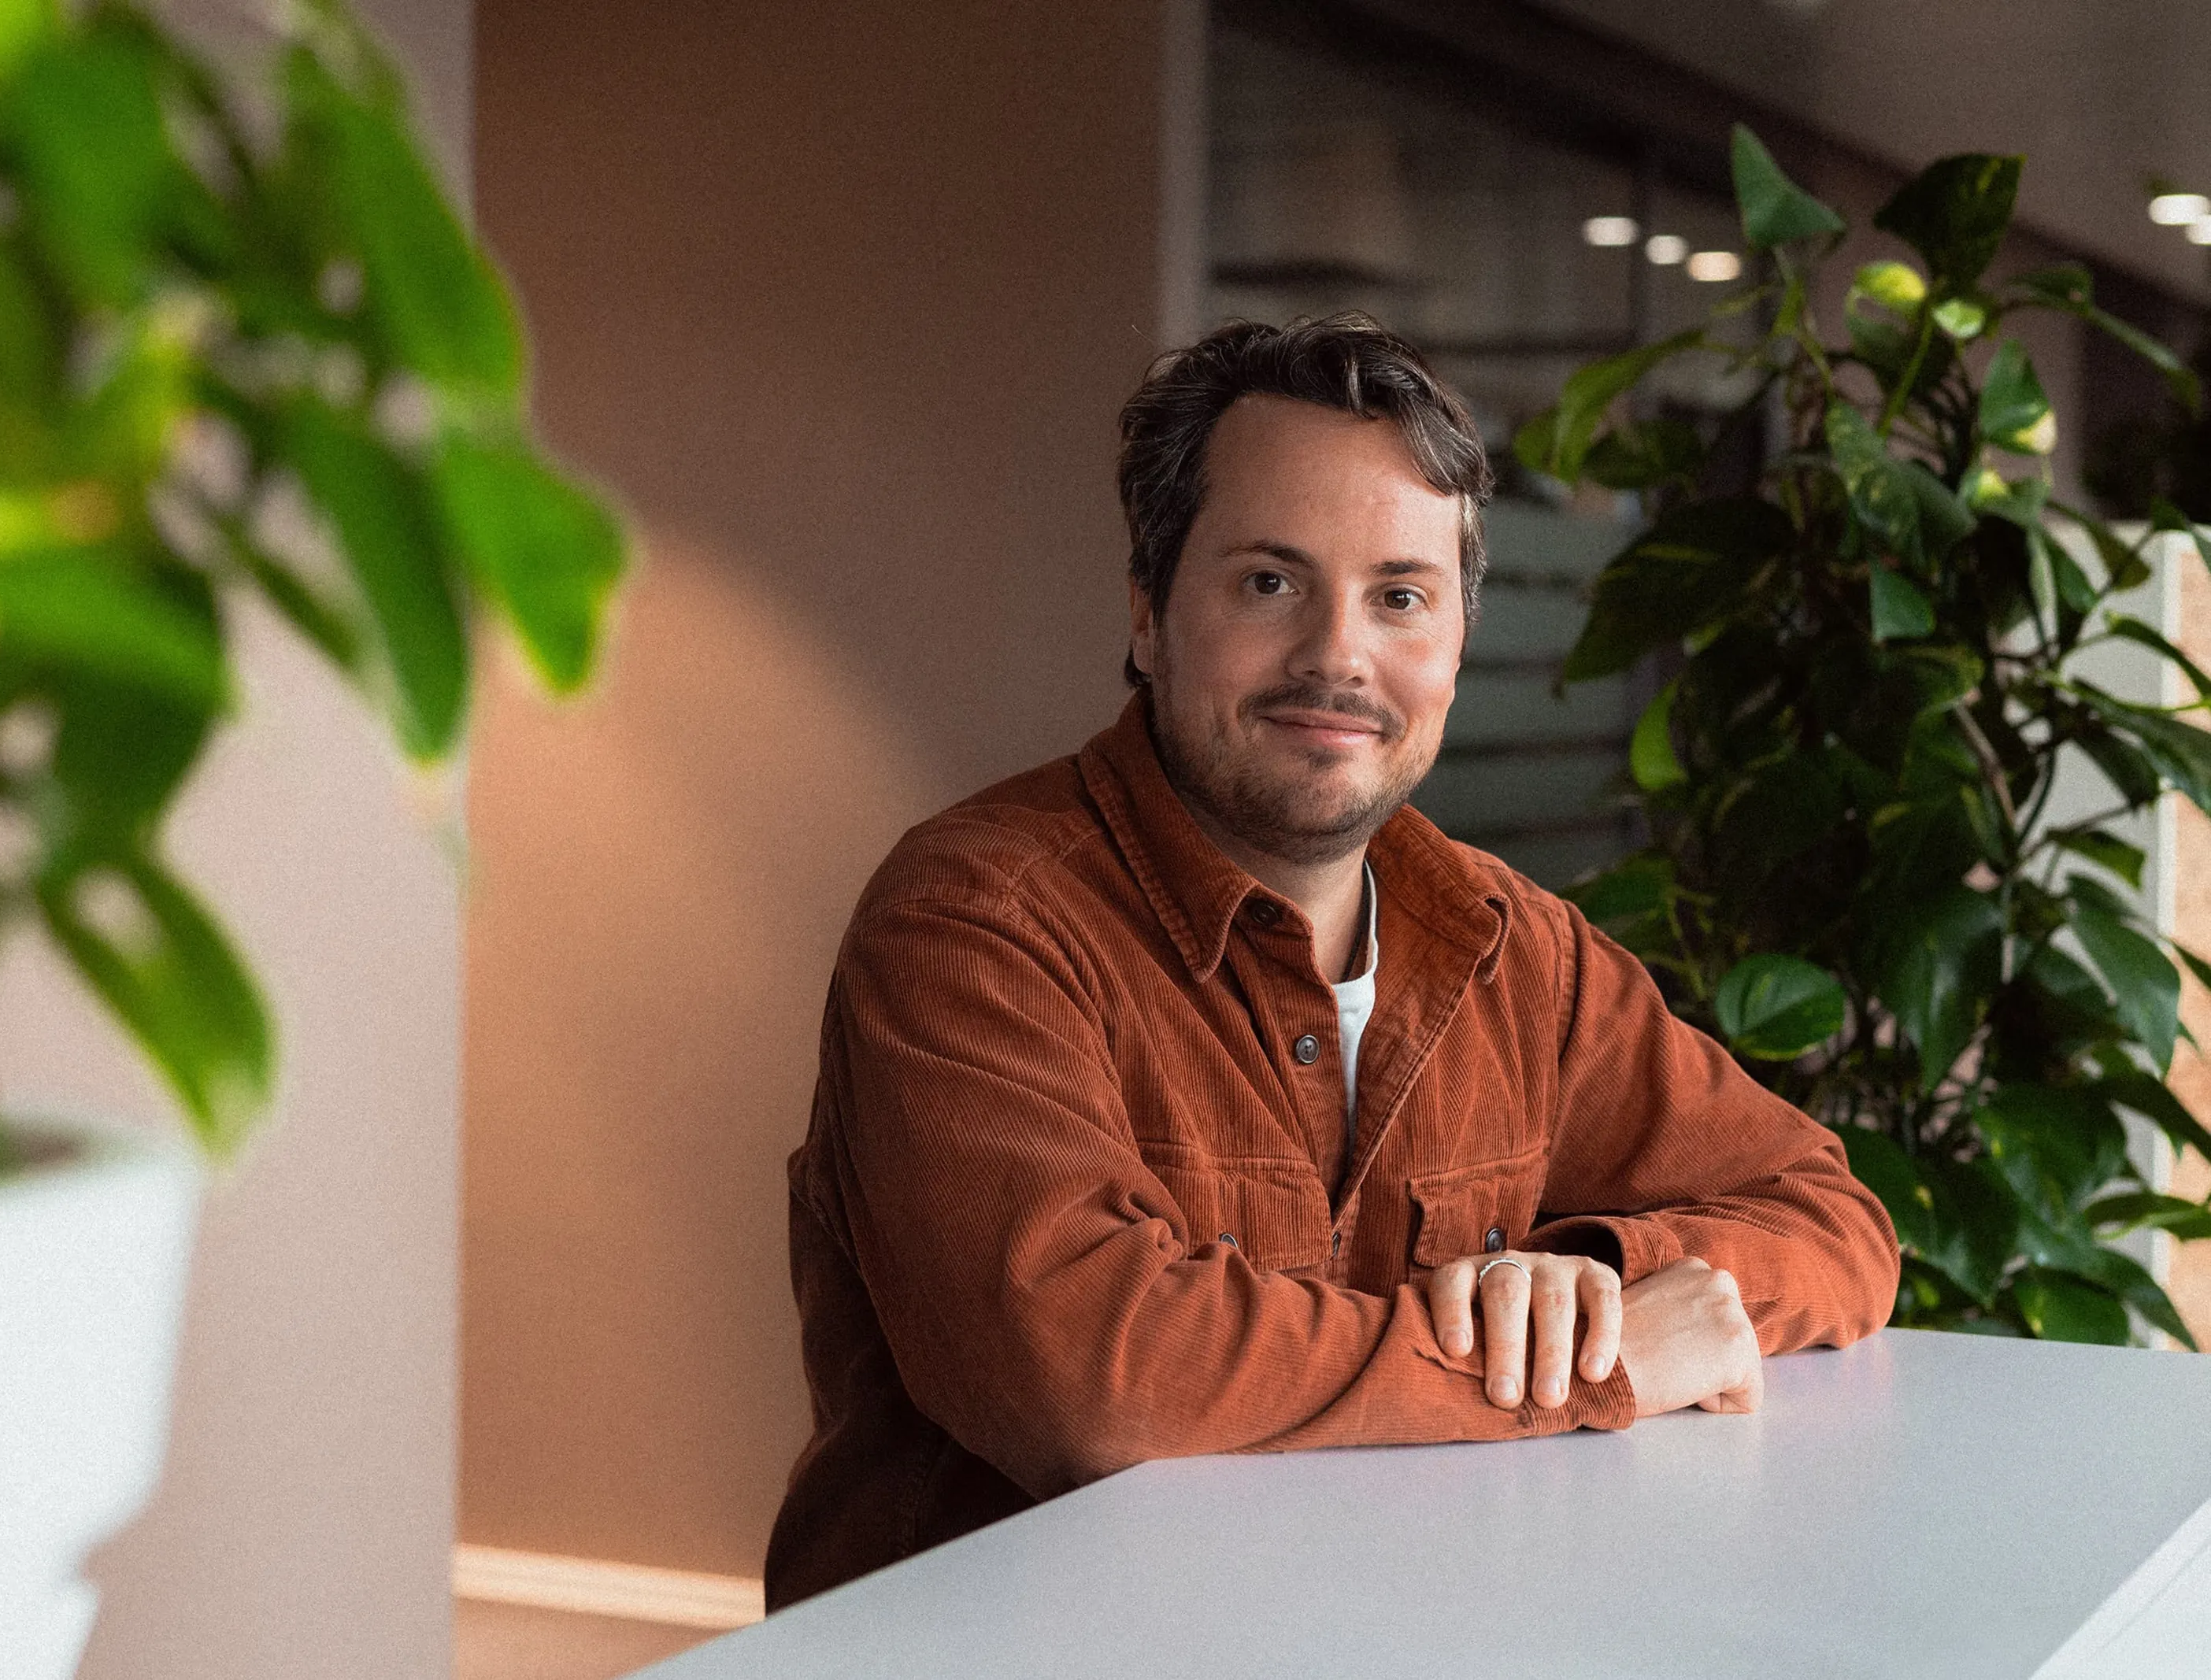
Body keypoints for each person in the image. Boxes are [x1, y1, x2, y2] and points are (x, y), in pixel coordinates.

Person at [763, 314, 1900, 1612]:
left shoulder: (1518, 951)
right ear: (1148, 611)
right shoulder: (975, 920)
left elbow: (1829, 1212)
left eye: (1400, 596)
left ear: (1457, 648)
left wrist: (1587, 1288)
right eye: (1269, 581)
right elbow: (1094, 1371)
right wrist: (1585, 1363)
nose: (1338, 655)